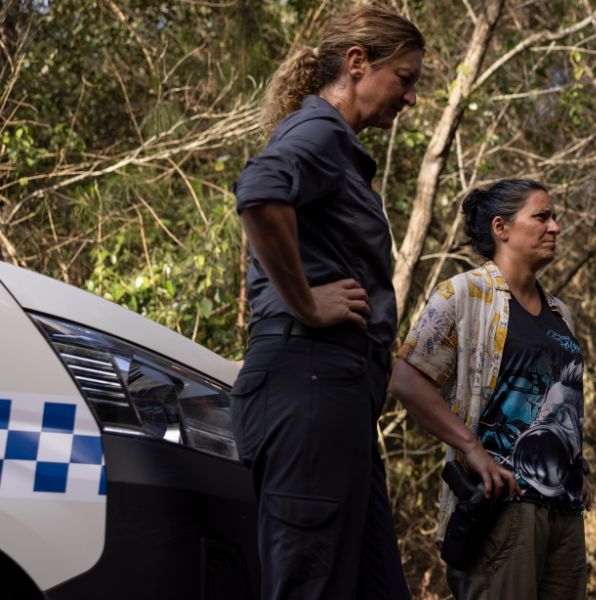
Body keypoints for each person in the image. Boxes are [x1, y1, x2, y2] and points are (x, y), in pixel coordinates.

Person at [229, 6, 424, 599]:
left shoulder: (338, 148)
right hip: (309, 382)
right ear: (358, 63)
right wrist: (306, 303)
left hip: (340, 402)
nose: (410, 97)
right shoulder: (319, 131)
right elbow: (259, 191)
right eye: (405, 78)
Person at [389, 179, 591, 599]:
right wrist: (471, 447)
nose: (555, 227)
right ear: (502, 228)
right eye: (542, 216)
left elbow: (560, 400)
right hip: (505, 506)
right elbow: (406, 379)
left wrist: (578, 466)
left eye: (554, 218)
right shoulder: (465, 294)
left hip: (566, 512)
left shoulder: (560, 314)